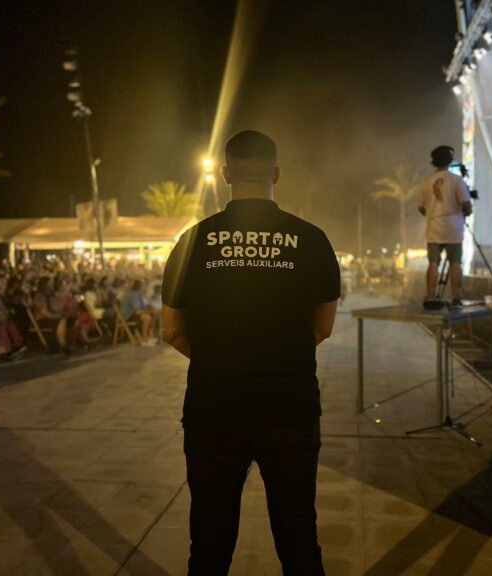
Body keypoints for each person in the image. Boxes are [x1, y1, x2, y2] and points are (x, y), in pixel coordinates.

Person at [161, 130, 340, 575]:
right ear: (276, 174)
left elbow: (170, 331)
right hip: (291, 410)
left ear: (224, 174)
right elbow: (323, 326)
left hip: (213, 411)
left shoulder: (192, 242)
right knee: (300, 539)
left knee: (209, 542)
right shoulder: (313, 240)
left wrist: (221, 358)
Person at [417, 145, 472, 304]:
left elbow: (421, 207)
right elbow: (467, 204)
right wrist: (464, 213)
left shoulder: (425, 182)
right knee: (455, 262)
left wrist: (432, 214)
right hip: (454, 225)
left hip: (434, 225)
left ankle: (431, 295)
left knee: (433, 262)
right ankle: (457, 296)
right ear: (450, 160)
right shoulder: (457, 180)